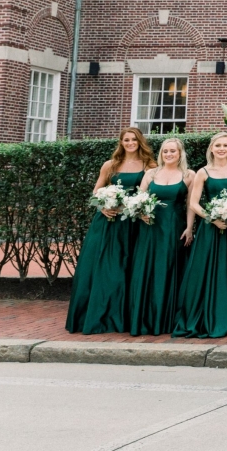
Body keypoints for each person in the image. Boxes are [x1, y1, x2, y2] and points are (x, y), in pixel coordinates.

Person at [66, 128, 156, 334]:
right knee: (105, 269)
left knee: (128, 269)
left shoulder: (150, 166)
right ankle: (100, 316)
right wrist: (102, 206)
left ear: (140, 142)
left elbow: (152, 193)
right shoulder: (110, 165)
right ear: (121, 142)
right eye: (126, 140)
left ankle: (125, 319)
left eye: (134, 139)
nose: (130, 143)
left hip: (133, 224)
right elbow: (95, 193)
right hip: (108, 222)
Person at [173, 132, 227, 339]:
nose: (221, 149)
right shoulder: (203, 172)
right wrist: (212, 217)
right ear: (211, 149)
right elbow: (194, 203)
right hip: (210, 228)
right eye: (218, 145)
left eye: (225, 145)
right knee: (209, 271)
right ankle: (207, 315)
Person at [129, 137, 194, 336]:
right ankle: (146, 319)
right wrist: (141, 213)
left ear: (180, 153)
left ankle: (166, 319)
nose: (169, 154)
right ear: (161, 153)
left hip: (174, 227)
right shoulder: (151, 173)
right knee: (148, 269)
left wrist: (190, 228)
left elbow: (191, 204)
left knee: (169, 269)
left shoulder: (189, 175)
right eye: (165, 151)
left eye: (173, 151)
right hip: (150, 228)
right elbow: (138, 200)